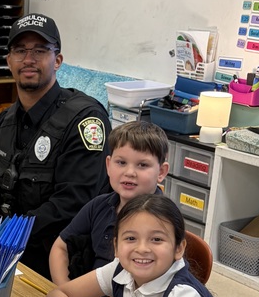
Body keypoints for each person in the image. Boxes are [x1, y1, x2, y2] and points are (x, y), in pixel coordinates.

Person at [0, 14, 111, 278]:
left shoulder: (85, 120)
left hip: (53, 255)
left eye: (39, 50)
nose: (28, 59)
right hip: (1, 243)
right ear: (9, 62)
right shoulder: (2, 123)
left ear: (57, 60)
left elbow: (72, 206)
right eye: (20, 51)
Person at [44, 194, 222, 297]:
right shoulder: (120, 269)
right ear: (116, 246)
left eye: (157, 239)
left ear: (179, 249)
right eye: (130, 238)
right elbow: (57, 296)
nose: (142, 248)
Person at [49, 121, 169, 284]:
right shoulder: (99, 205)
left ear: (161, 172)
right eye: (121, 162)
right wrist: (64, 292)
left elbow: (138, 292)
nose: (129, 173)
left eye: (142, 165)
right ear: (108, 165)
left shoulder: (164, 221)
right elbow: (60, 247)